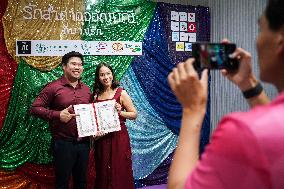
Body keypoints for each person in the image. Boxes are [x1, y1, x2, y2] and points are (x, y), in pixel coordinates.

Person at [167, 0, 284, 188]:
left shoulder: (243, 132)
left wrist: (192, 110)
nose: (258, 40)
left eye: (261, 29)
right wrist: (249, 85)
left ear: (279, 41)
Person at [30, 51, 91, 189]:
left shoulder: (86, 89)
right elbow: (35, 108)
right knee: (62, 183)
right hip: (63, 144)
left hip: (84, 144)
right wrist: (58, 115)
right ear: (64, 66)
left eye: (80, 65)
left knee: (81, 182)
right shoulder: (53, 87)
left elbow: (93, 112)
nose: (77, 67)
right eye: (73, 64)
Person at [92, 63, 137, 189]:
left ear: (112, 75)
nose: (105, 77)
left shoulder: (121, 93)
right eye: (102, 75)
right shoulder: (95, 96)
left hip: (119, 137)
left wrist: (120, 112)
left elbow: (134, 114)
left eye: (108, 73)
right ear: (98, 77)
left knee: (120, 169)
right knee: (102, 169)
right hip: (102, 139)